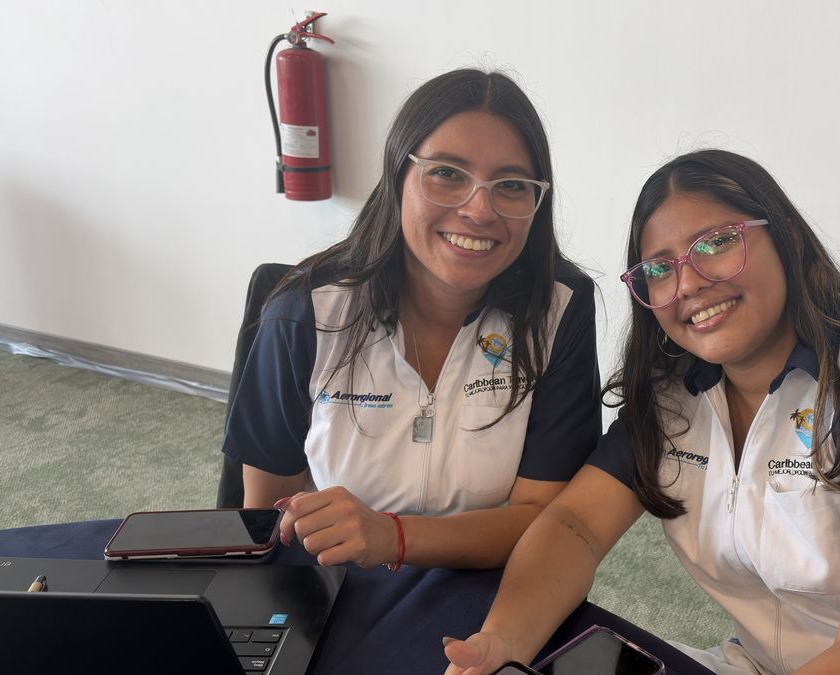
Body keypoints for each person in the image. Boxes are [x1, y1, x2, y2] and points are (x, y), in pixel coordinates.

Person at [445, 150, 840, 674]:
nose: (689, 283)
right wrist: (502, 642)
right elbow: (574, 525)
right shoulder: (673, 397)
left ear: (788, 241)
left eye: (717, 243)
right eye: (660, 267)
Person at [221, 69, 600, 571]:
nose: (479, 210)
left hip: (490, 590)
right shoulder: (303, 314)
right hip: (338, 588)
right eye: (446, 173)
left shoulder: (558, 310)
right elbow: (267, 522)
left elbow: (545, 521)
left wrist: (394, 537)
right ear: (398, 175)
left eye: (510, 185)